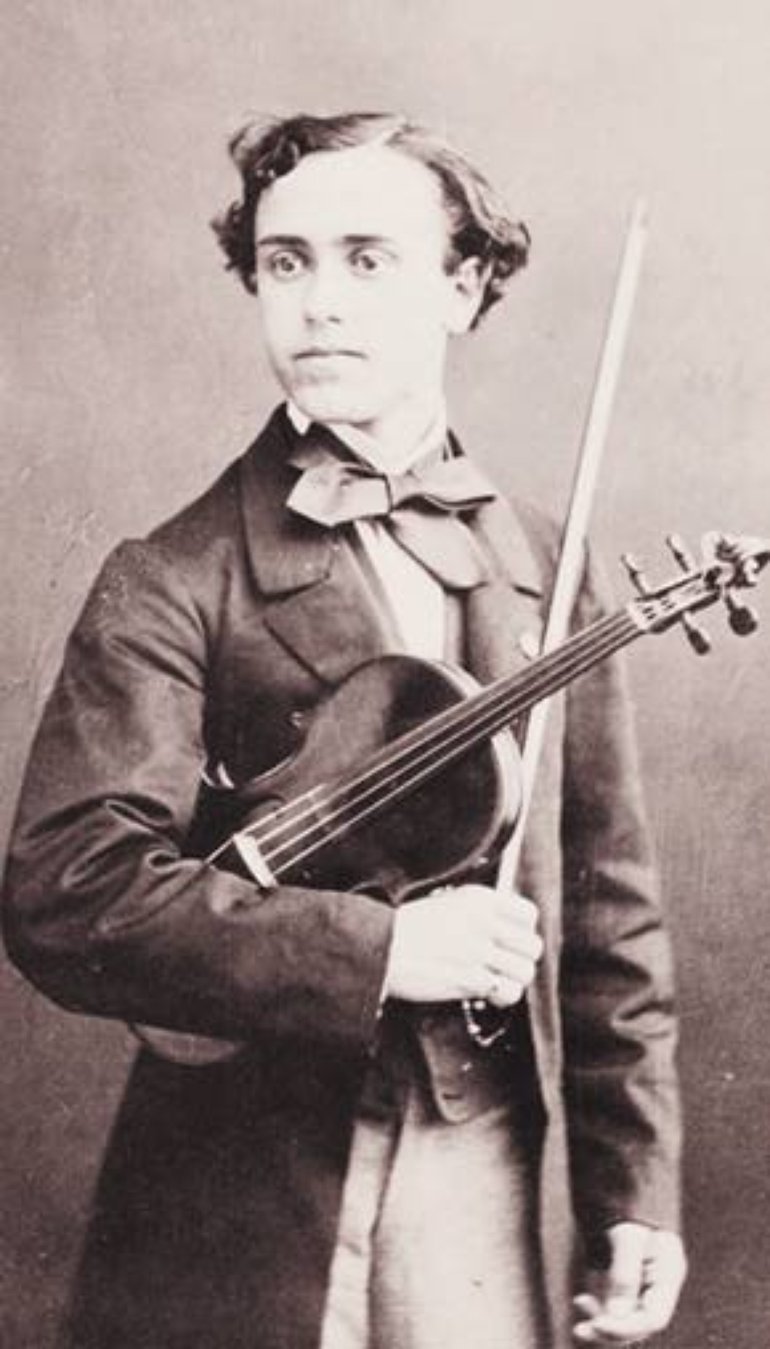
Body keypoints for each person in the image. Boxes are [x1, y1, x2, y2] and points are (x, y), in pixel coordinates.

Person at [2, 112, 686, 1349]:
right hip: (246, 1191)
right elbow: (69, 890)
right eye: (286, 262)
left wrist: (632, 1185)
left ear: (461, 286)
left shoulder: (545, 560)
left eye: (367, 259)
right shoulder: (173, 574)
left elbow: (605, 908)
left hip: (489, 1167)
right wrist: (380, 950)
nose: (318, 301)